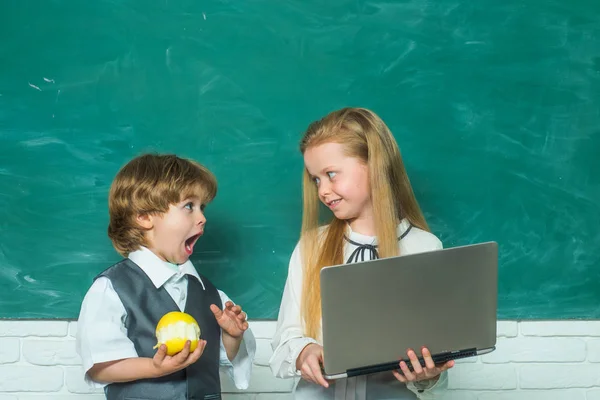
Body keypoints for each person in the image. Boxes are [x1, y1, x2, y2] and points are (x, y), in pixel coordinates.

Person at [269, 108, 454, 399]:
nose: (323, 190)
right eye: (316, 179)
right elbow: (283, 341)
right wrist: (303, 350)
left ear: (374, 165)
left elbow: (436, 365)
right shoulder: (310, 246)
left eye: (331, 174)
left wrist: (428, 375)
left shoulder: (425, 248)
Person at [76, 153, 256, 400]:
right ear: (145, 216)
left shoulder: (212, 295)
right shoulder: (112, 289)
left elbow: (224, 360)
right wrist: (154, 367)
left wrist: (232, 336)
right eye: (189, 206)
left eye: (202, 207)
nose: (202, 217)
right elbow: (100, 365)